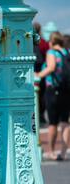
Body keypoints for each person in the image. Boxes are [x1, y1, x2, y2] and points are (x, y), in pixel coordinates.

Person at [36, 31, 70, 161]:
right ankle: (63, 151)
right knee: (65, 122)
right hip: (66, 90)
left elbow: (51, 67)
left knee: (53, 123)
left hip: (53, 90)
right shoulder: (67, 52)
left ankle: (51, 151)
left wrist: (38, 75)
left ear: (51, 42)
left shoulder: (51, 53)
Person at [33, 22, 50, 125]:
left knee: (33, 93)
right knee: (42, 93)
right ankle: (42, 116)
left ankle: (35, 115)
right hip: (42, 70)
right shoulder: (43, 42)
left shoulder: (27, 41)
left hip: (31, 69)